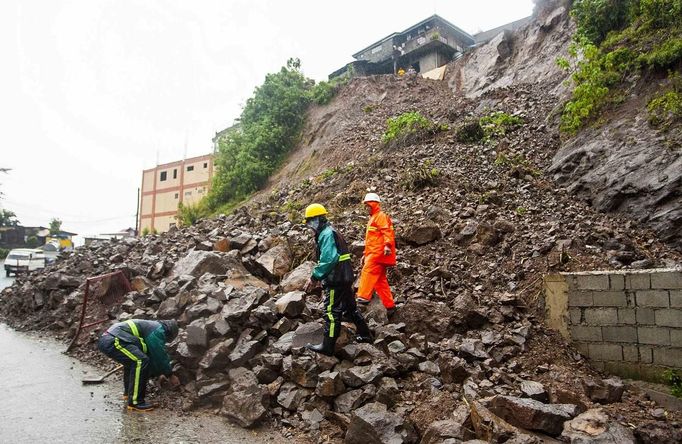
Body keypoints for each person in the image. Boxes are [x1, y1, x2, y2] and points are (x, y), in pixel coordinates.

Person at [303, 203, 372, 356]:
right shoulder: (330, 231)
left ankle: (327, 346)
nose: (309, 226)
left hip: (337, 280)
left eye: (310, 222)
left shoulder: (326, 234)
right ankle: (366, 335)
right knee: (350, 307)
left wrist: (315, 277)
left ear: (318, 219)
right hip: (345, 277)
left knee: (331, 311)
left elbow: (329, 259)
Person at [97, 319, 180, 412]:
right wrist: (170, 374)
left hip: (110, 339)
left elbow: (151, 355)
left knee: (133, 362)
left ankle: (128, 394)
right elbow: (159, 355)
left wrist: (159, 374)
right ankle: (135, 402)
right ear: (169, 333)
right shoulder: (158, 330)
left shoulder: (151, 327)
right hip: (114, 340)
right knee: (139, 361)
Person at [356, 193, 397, 313]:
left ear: (373, 204)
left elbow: (387, 232)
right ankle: (389, 306)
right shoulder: (373, 218)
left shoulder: (380, 216)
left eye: (368, 205)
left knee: (367, 272)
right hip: (373, 252)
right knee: (380, 281)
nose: (366, 208)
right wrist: (365, 253)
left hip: (378, 253)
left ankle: (362, 299)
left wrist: (387, 245)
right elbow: (371, 240)